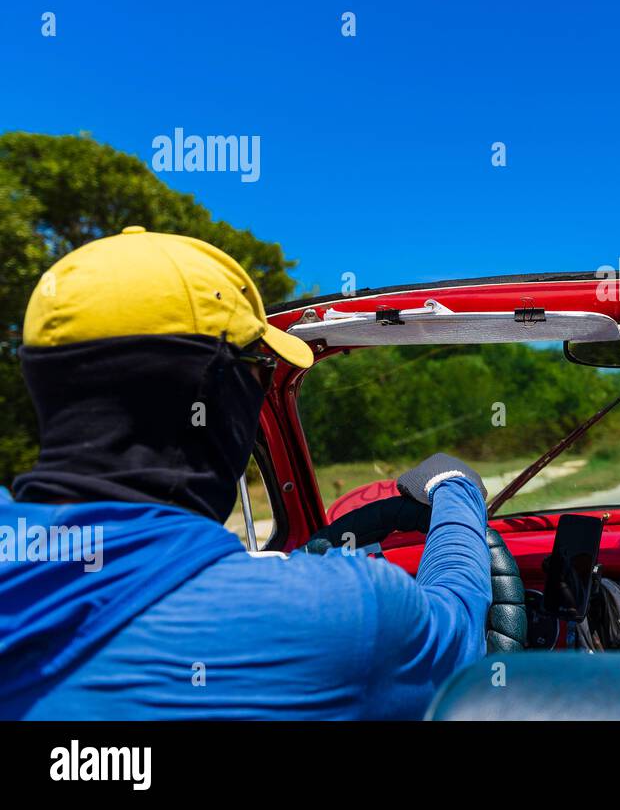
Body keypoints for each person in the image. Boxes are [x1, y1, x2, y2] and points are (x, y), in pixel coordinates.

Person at [0, 227, 491, 718]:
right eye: (259, 369)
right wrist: (455, 489)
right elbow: (460, 626)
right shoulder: (342, 619)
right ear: (219, 391)